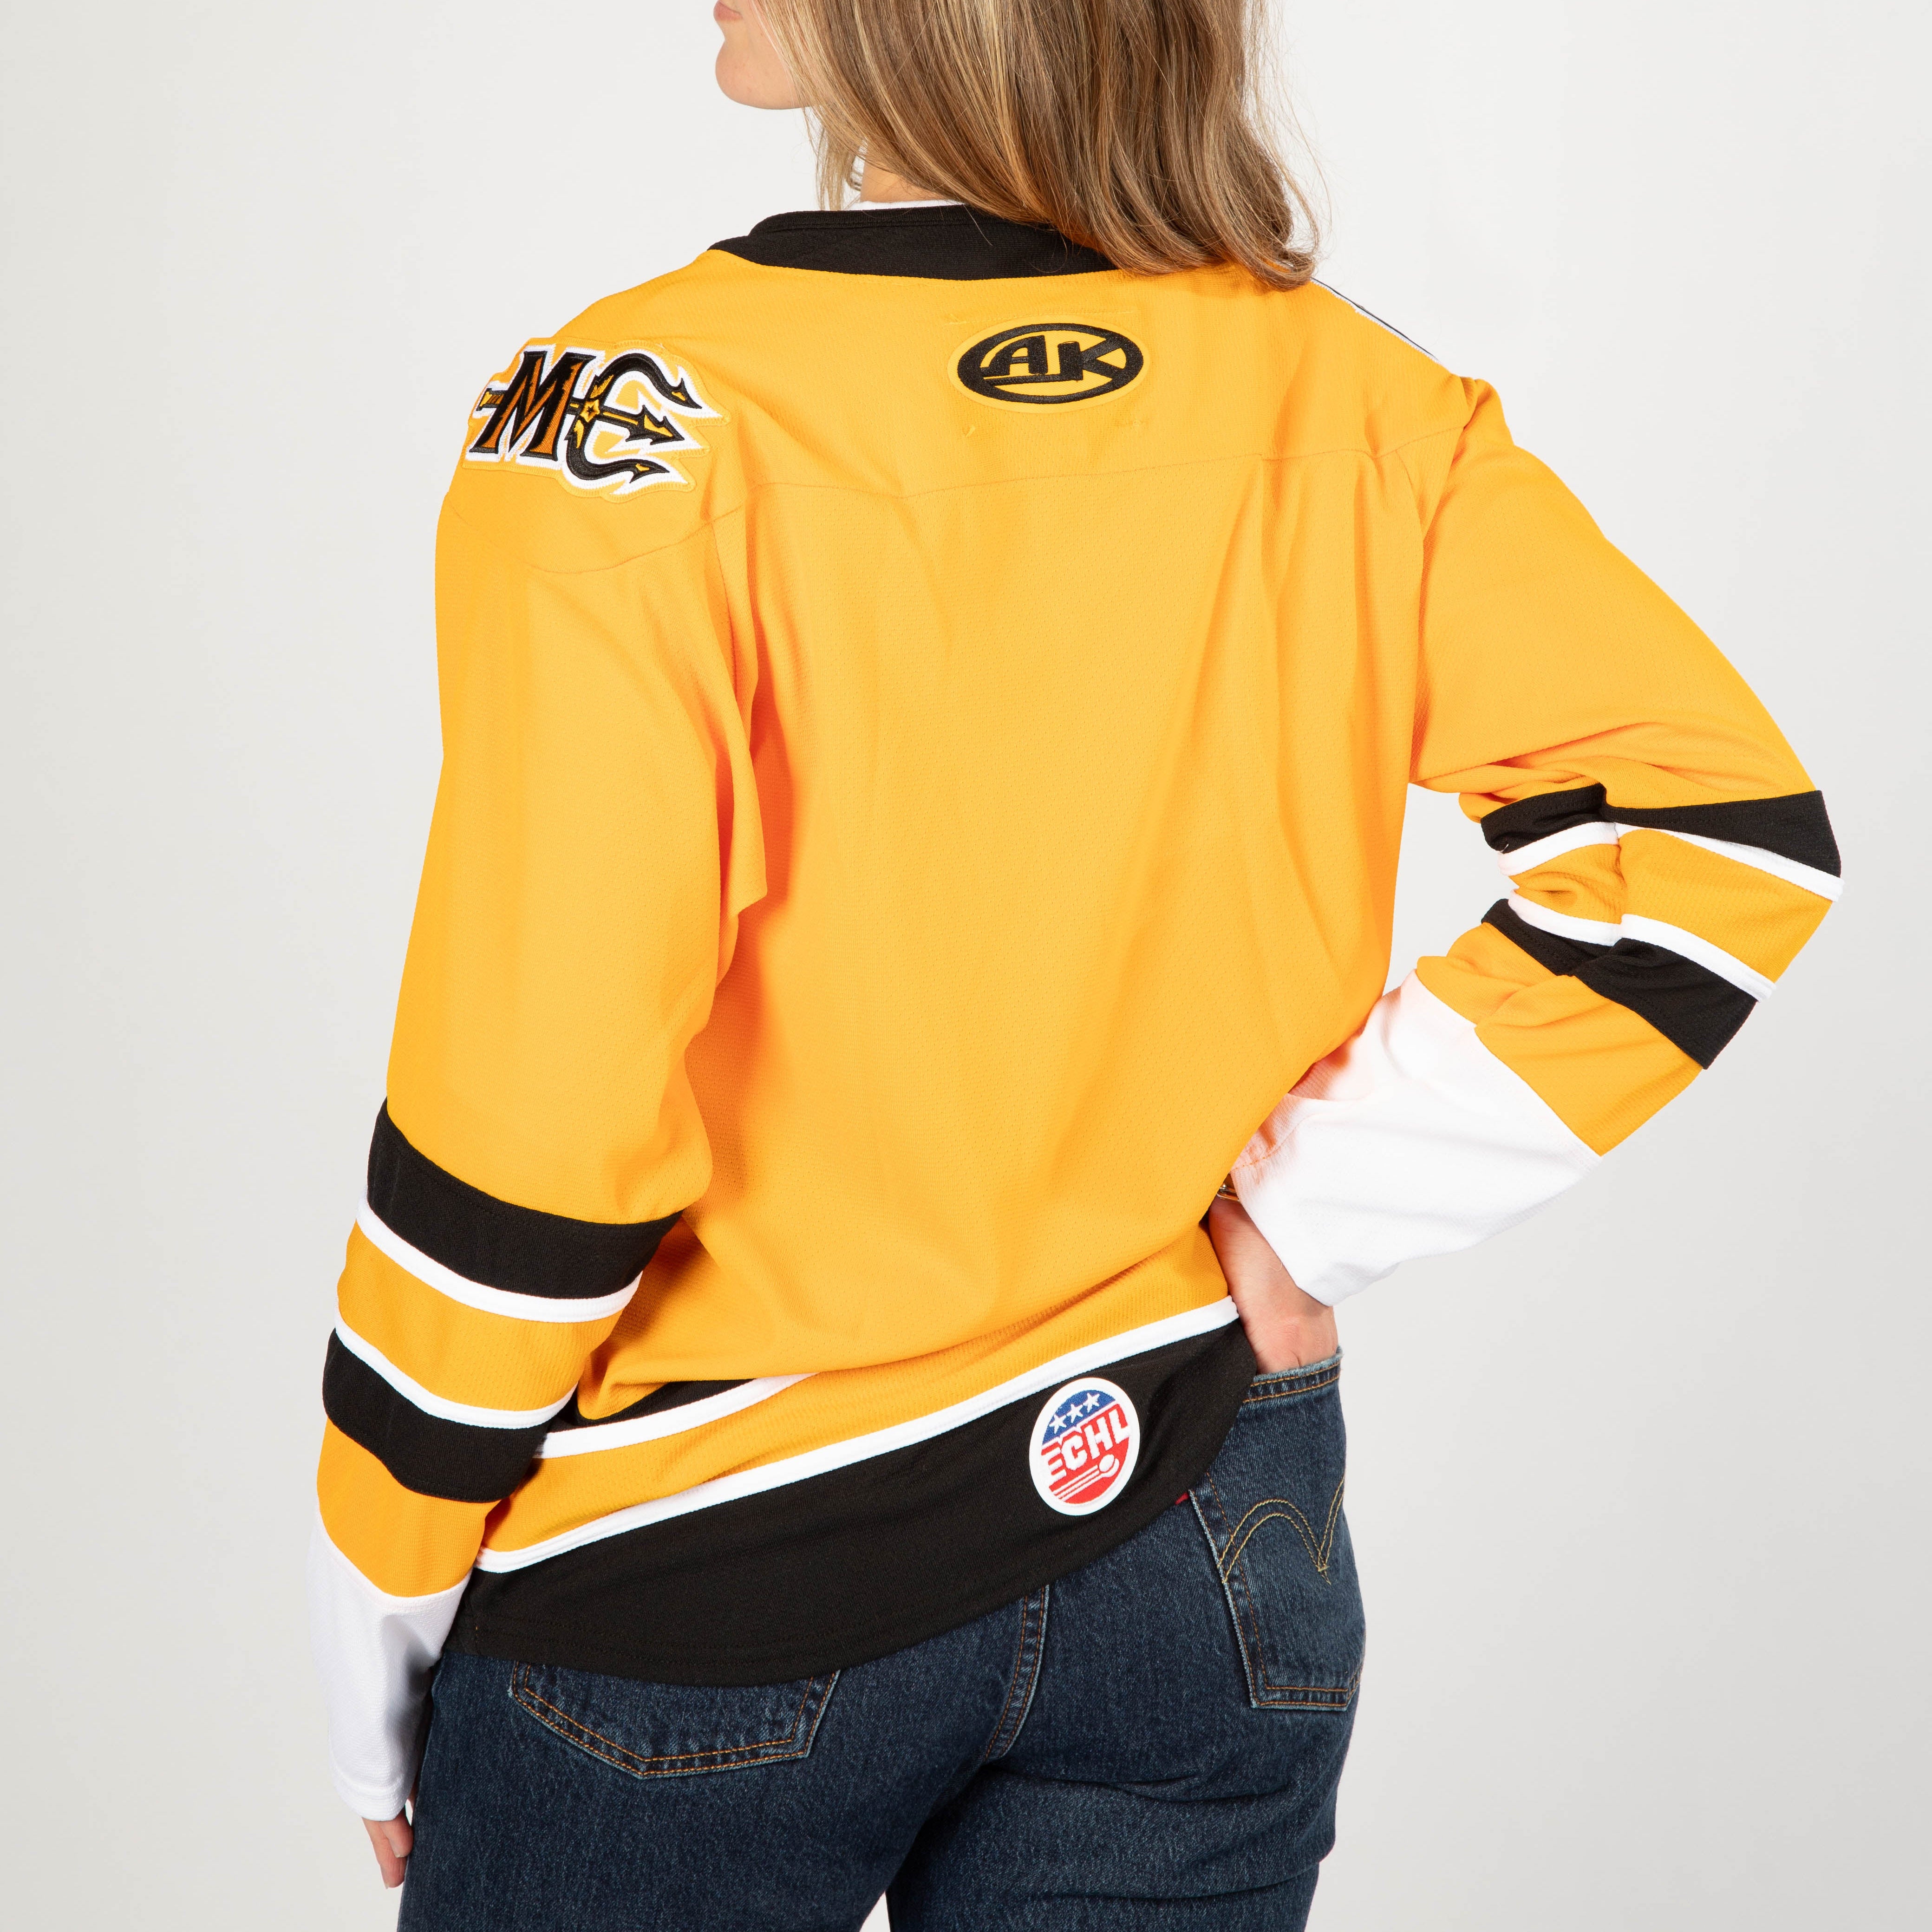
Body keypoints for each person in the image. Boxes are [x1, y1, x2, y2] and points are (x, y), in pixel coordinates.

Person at [306, 2, 1838, 1925]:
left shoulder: (631, 420)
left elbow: (534, 1105)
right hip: (1197, 1519)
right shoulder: (1352, 400)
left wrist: (380, 1583)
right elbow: (1713, 843)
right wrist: (1301, 1215)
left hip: (708, 1561)